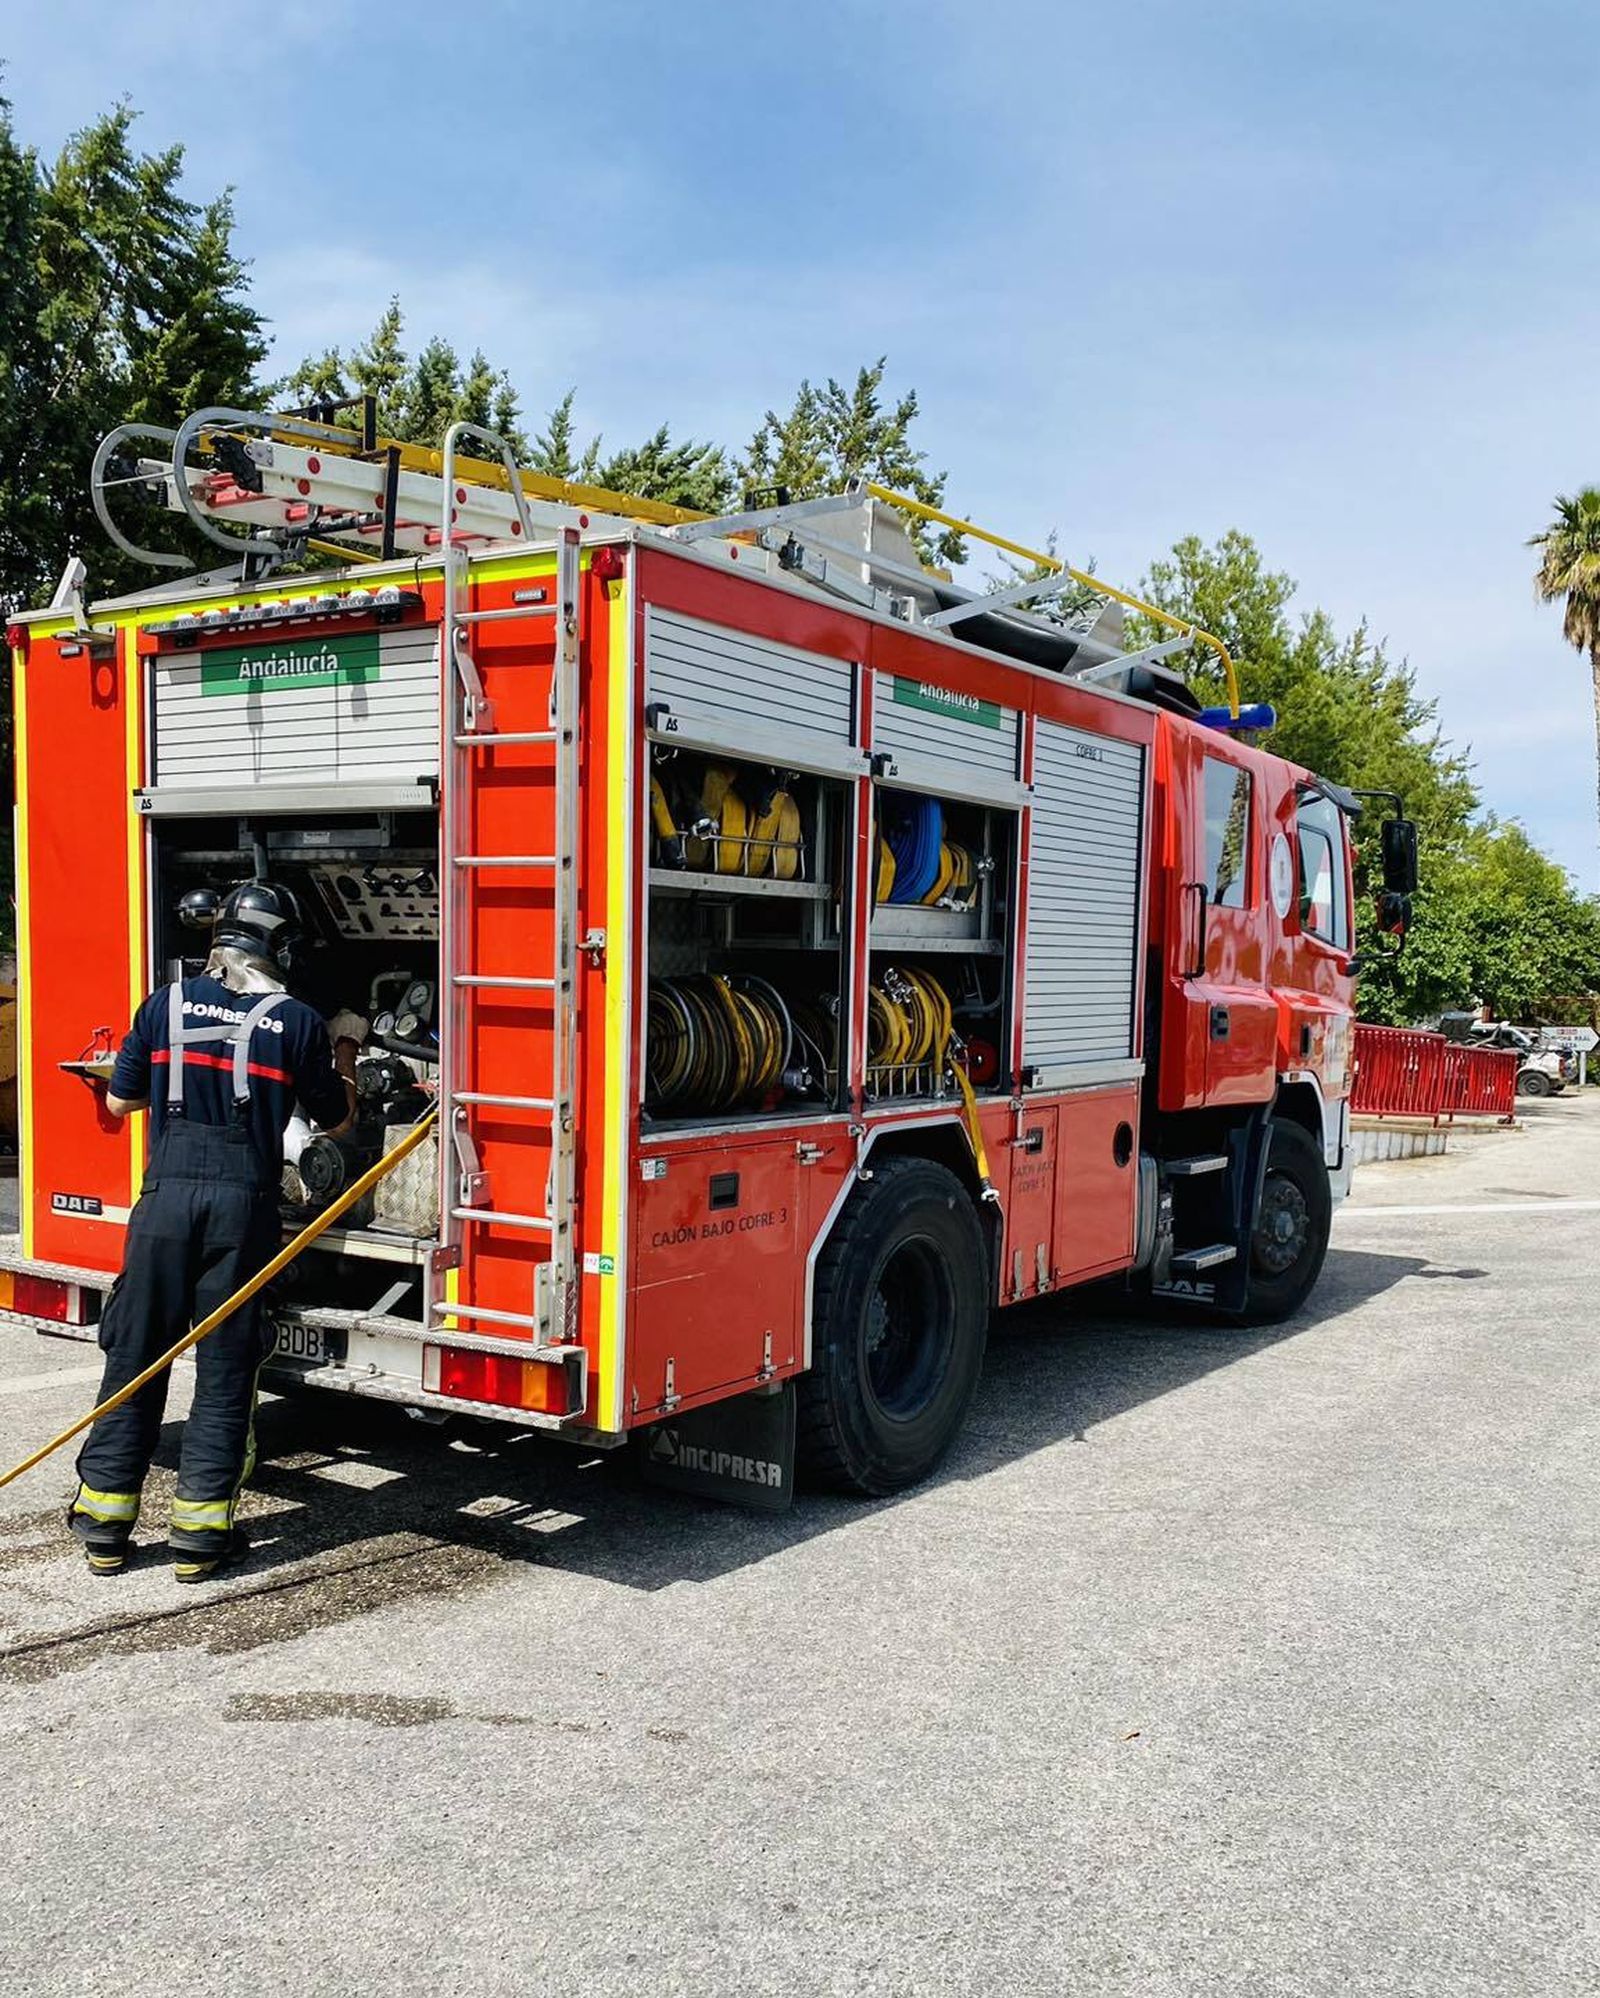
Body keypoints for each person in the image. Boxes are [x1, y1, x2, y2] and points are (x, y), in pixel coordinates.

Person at [68, 881, 366, 1582]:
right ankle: (199, 1540)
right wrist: (347, 1045)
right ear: (277, 944)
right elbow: (339, 1121)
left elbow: (123, 1100)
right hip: (241, 1210)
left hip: (163, 1205)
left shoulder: (162, 1004)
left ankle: (105, 1529)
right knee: (226, 1369)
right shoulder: (296, 1021)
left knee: (134, 1358)